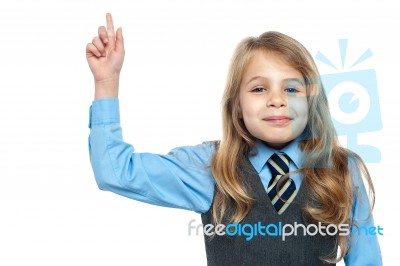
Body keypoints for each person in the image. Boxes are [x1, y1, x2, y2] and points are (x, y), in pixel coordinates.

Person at [86, 13, 382, 265]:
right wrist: (106, 82)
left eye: (292, 89)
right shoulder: (209, 166)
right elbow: (115, 171)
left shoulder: (342, 170)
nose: (277, 100)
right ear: (237, 105)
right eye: (258, 89)